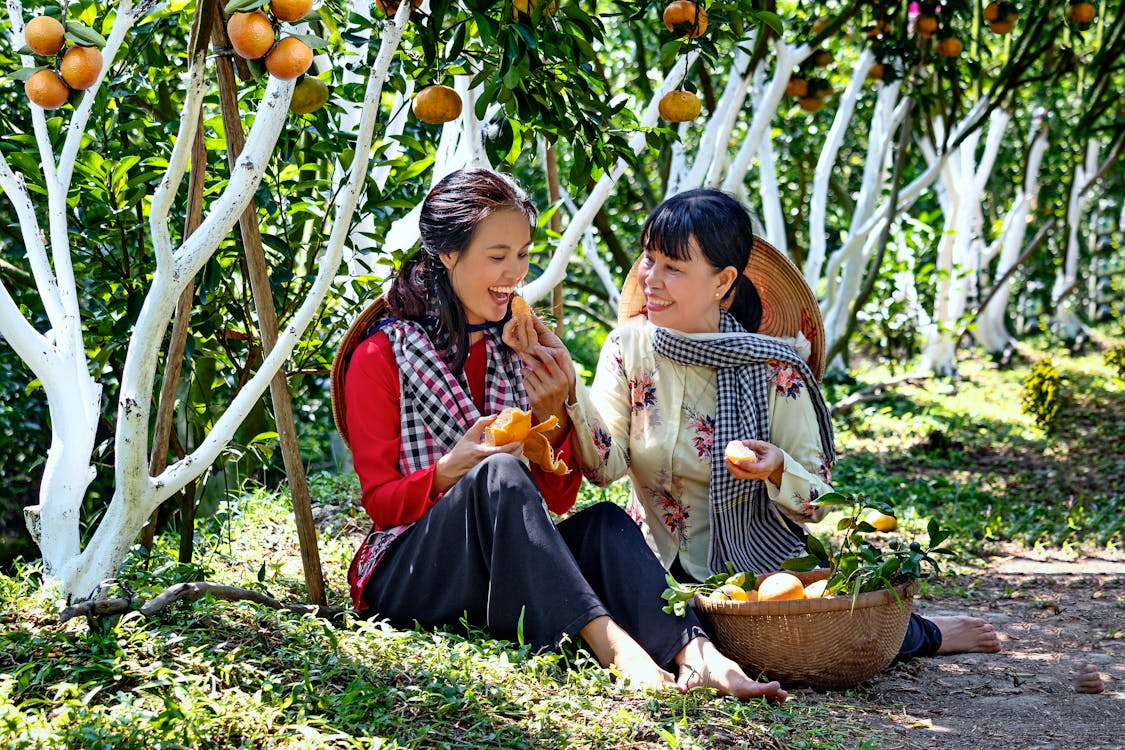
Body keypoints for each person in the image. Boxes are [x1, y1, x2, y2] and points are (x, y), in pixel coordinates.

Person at [334, 169, 787, 699]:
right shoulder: (379, 355)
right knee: (497, 471)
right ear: (448, 255)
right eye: (497, 256)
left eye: (523, 254)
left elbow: (559, 497)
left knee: (606, 524)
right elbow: (383, 508)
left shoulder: (518, 345)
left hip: (498, 567)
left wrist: (555, 408)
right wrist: (453, 467)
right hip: (409, 570)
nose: (514, 273)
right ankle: (615, 649)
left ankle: (699, 654)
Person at [564, 188, 1002, 662]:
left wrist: (777, 469)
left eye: (673, 267)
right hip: (651, 564)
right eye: (649, 260)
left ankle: (919, 634)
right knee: (604, 552)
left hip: (752, 568)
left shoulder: (775, 368)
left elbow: (817, 500)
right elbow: (605, 467)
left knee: (802, 623)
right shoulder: (627, 348)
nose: (651, 279)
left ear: (722, 280)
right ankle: (699, 638)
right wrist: (567, 392)